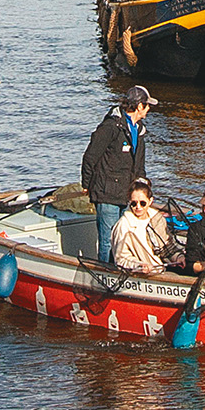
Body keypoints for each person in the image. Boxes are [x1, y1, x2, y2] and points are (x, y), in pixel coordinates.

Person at [81, 86, 157, 263]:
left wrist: (142, 190)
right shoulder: (111, 127)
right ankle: (106, 271)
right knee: (108, 240)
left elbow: (139, 166)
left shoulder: (139, 130)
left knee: (124, 238)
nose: (148, 109)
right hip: (107, 193)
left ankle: (124, 268)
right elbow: (90, 157)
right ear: (139, 106)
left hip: (128, 194)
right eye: (147, 105)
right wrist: (87, 185)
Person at [111, 180, 171, 272]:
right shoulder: (123, 225)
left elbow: (166, 246)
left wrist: (178, 257)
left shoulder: (157, 218)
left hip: (162, 268)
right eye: (134, 203)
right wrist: (139, 265)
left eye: (142, 203)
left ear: (150, 201)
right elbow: (121, 259)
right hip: (142, 273)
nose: (138, 207)